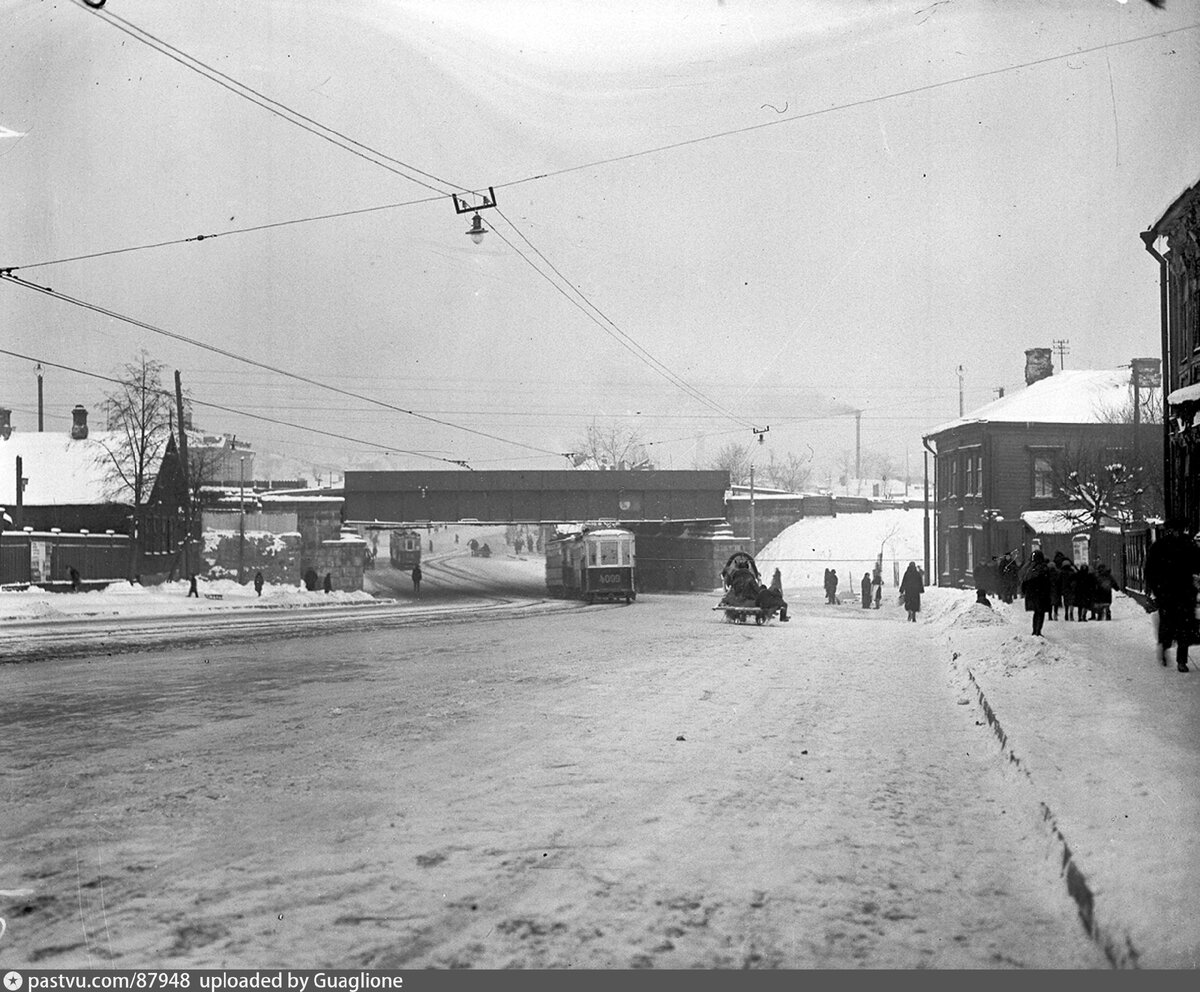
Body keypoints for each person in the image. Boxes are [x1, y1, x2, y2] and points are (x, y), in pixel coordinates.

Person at [1144, 519, 1200, 673]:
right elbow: (1150, 569)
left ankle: (1177, 656)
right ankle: (1171, 651)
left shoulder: (1161, 546)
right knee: (1177, 625)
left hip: (1174, 592)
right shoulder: (1184, 545)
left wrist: (1155, 588)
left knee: (1177, 625)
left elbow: (1149, 569)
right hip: (1176, 592)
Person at [1020, 549, 1052, 636]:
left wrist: (1025, 591)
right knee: (1040, 613)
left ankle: (1035, 630)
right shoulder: (1043, 567)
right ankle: (1038, 630)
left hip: (1032, 593)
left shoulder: (1029, 568)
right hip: (1042, 593)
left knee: (1036, 612)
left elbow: (1024, 580)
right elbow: (1048, 581)